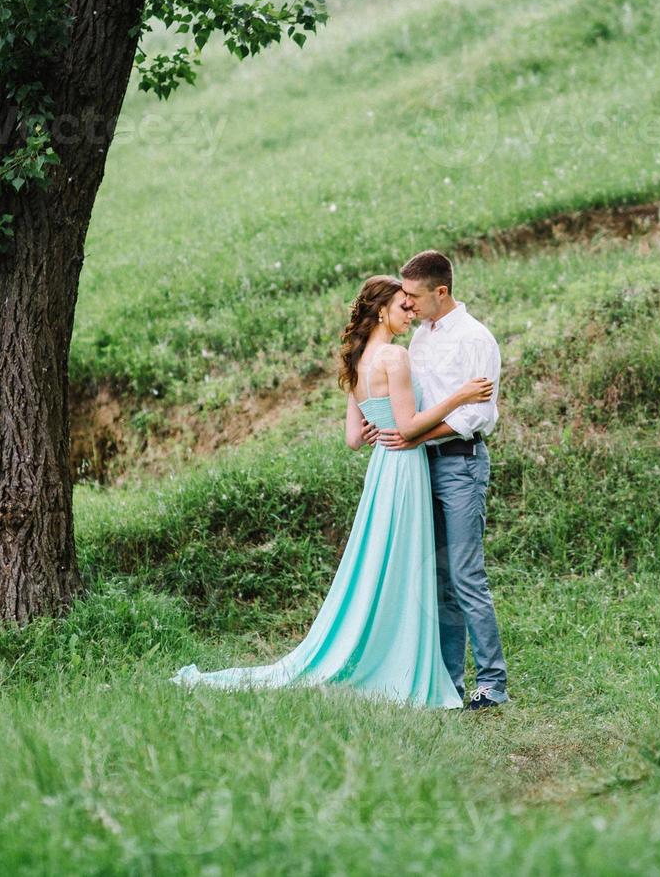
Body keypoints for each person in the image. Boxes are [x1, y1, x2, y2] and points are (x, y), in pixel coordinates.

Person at [169, 274, 493, 709]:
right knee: (406, 567)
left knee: (391, 562)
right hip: (405, 464)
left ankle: (410, 656)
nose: (409, 312)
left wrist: (384, 421)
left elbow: (354, 439)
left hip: (383, 467)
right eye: (402, 306)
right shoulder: (395, 356)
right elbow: (412, 427)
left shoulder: (359, 359)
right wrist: (461, 396)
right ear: (382, 310)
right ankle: (405, 661)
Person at [366, 250, 509, 710]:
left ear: (440, 292)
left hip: (461, 464)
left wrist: (415, 436)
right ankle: (449, 681)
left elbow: (477, 413)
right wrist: (388, 423)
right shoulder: (420, 339)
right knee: (438, 579)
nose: (407, 304)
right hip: (421, 464)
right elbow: (415, 404)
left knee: (466, 576)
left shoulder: (474, 338)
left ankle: (492, 683)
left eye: (413, 295)